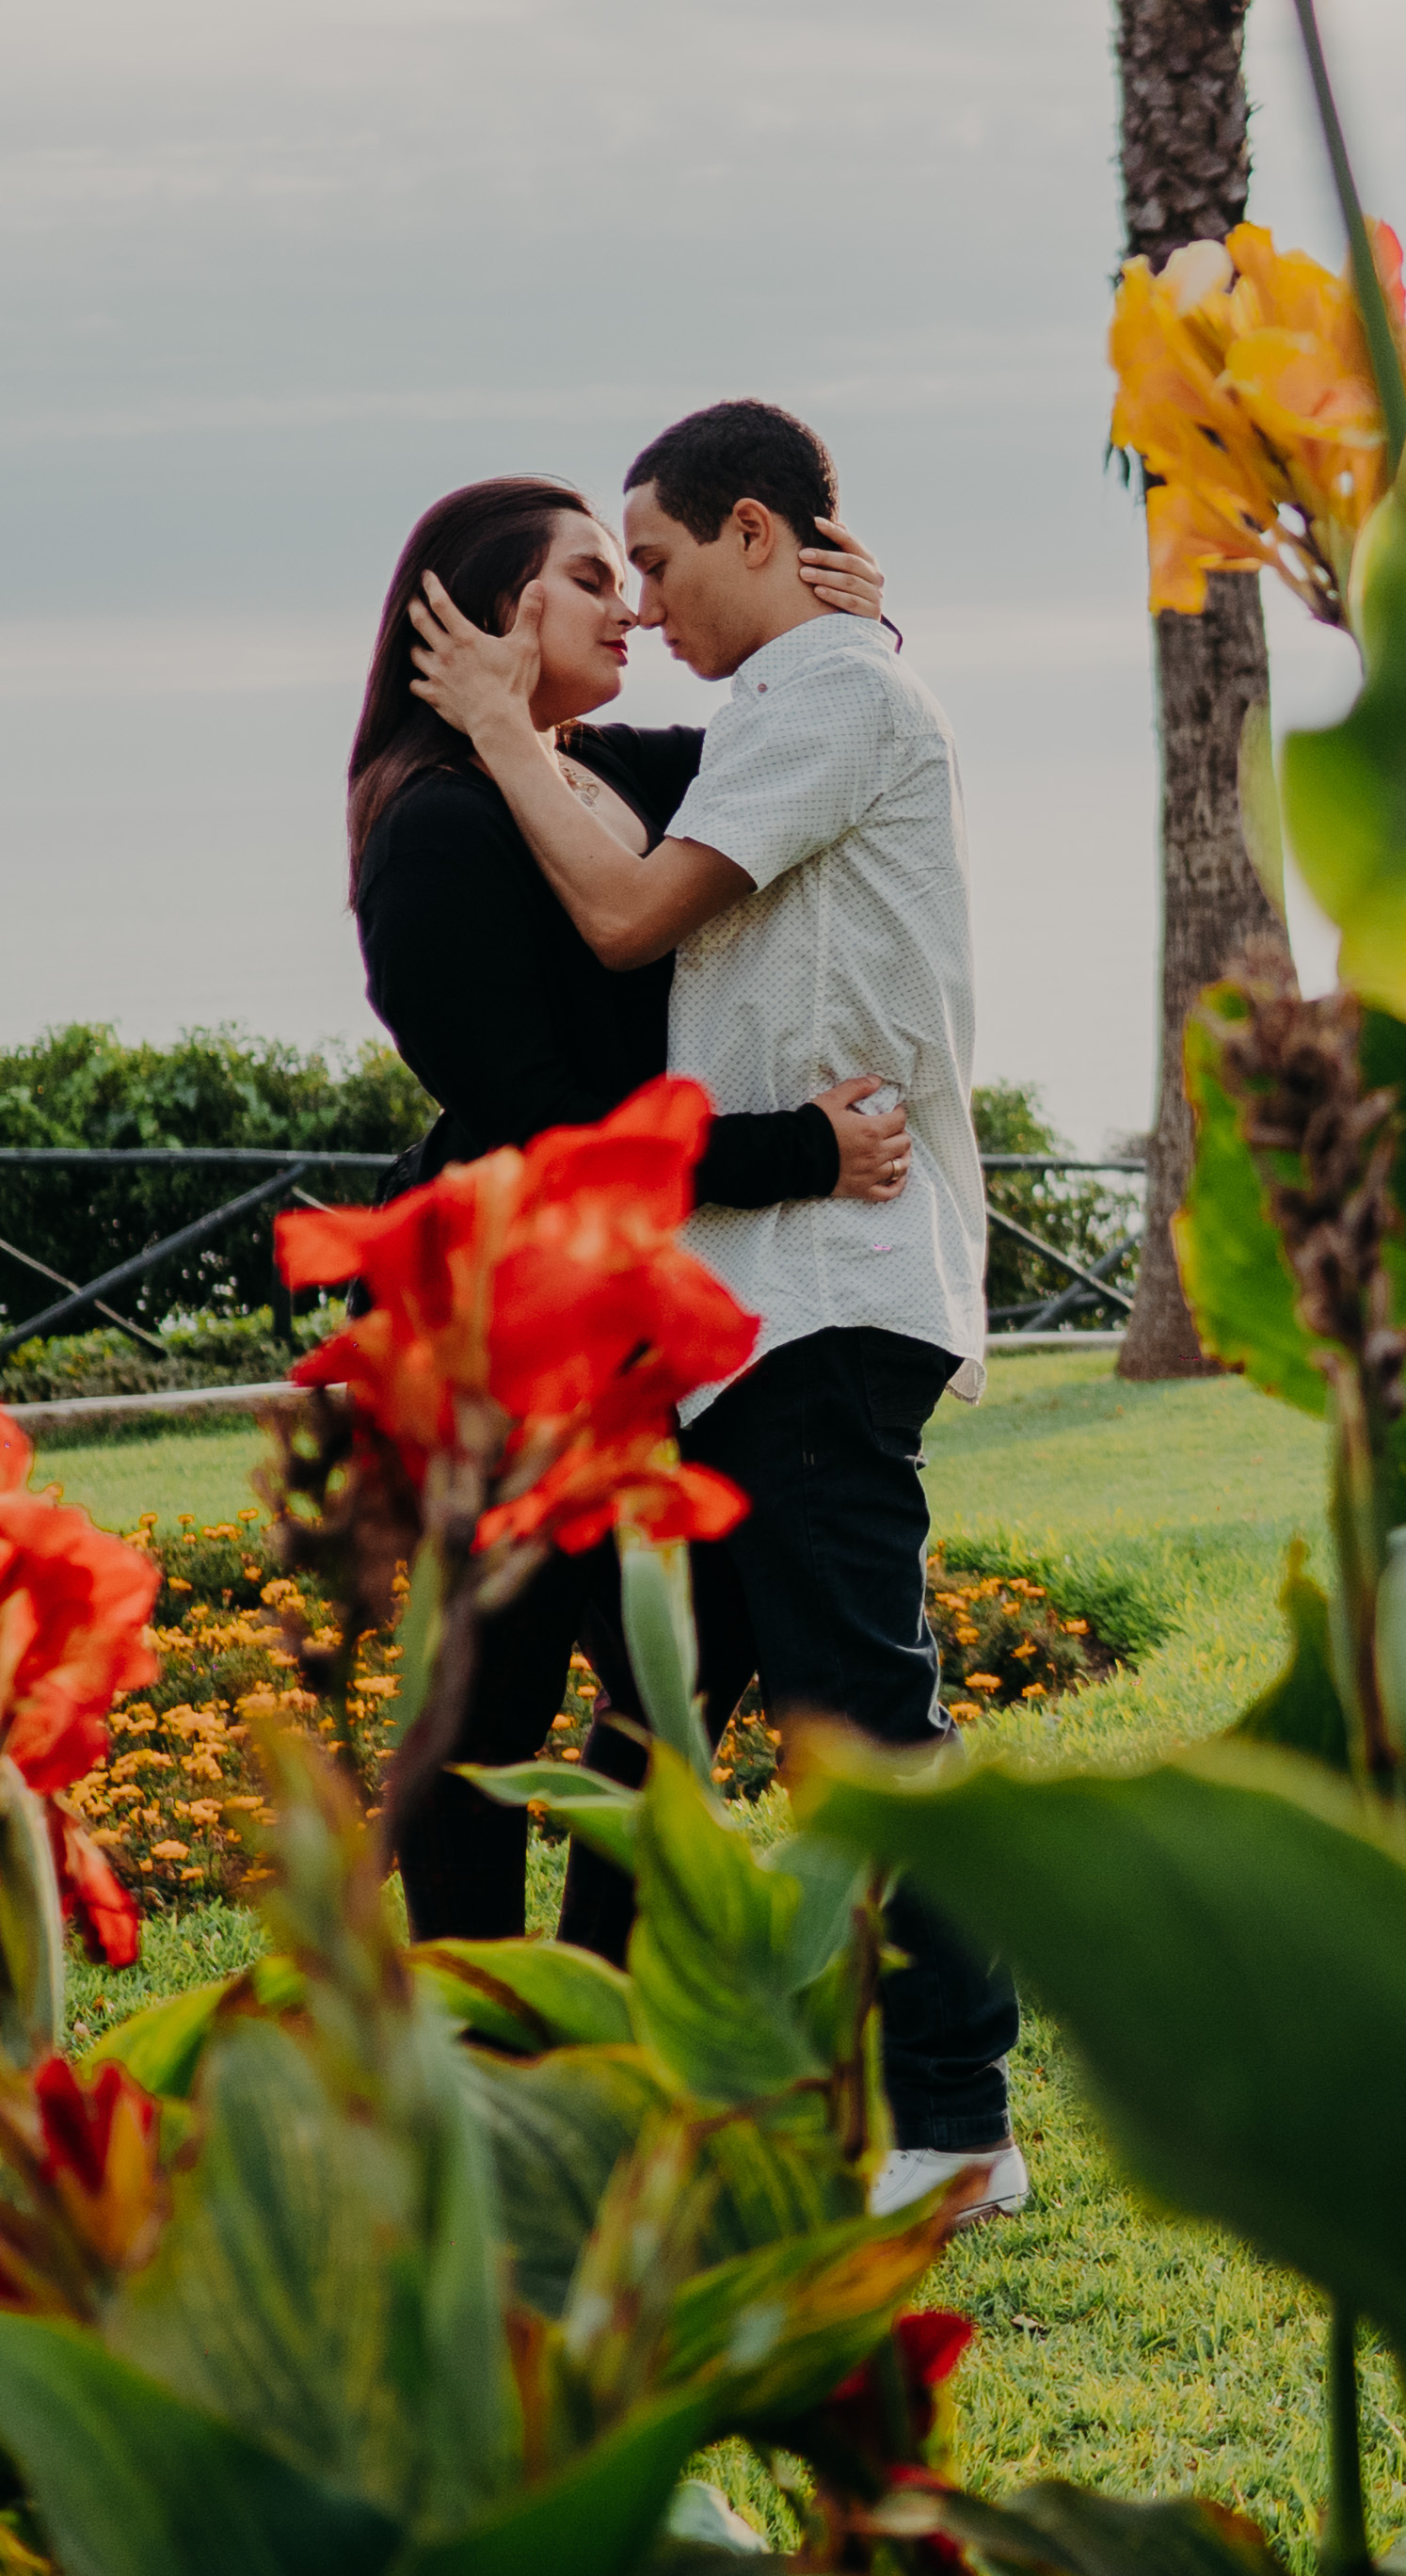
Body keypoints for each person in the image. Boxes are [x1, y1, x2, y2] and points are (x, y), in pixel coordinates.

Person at [407, 400, 1020, 2223]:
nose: (648, 604)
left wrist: (503, 724)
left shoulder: (824, 697)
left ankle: (956, 2121)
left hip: (822, 1289)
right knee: (733, 1707)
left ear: (756, 534)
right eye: (614, 577)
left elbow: (621, 919)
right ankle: (718, 2085)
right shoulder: (786, 701)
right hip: (749, 1308)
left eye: (661, 562)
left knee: (865, 1723)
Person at [343, 474, 909, 1960]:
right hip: (496, 1314)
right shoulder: (437, 832)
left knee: (693, 1654)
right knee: (490, 1698)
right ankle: (488, 2028)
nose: (636, 611)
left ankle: (593, 1986)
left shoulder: (612, 772)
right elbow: (542, 1127)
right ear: (493, 609)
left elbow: (797, 744)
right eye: (594, 578)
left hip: (622, 1306)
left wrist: (854, 625)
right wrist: (801, 1149)